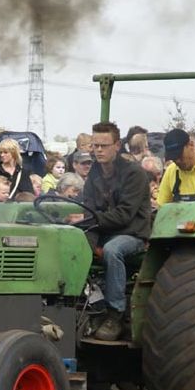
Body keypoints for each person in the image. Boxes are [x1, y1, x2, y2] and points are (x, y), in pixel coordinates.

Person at [82, 121, 151, 341]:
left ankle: (116, 314)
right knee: (75, 245)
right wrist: (88, 243)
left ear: (117, 145)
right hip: (104, 230)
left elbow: (124, 215)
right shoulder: (94, 173)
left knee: (113, 250)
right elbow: (88, 210)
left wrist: (91, 222)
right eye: (95, 146)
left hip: (133, 234)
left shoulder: (134, 174)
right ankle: (90, 307)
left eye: (104, 145)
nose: (98, 150)